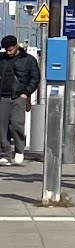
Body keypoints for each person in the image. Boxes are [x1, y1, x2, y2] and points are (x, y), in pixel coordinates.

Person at [0, 35, 38, 166]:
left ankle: (19, 150)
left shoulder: (28, 60)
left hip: (18, 96)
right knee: (2, 127)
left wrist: (26, 93)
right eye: (6, 50)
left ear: (16, 46)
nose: (8, 52)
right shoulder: (1, 59)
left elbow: (35, 77)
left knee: (16, 124)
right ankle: (5, 154)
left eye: (10, 50)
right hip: (3, 96)